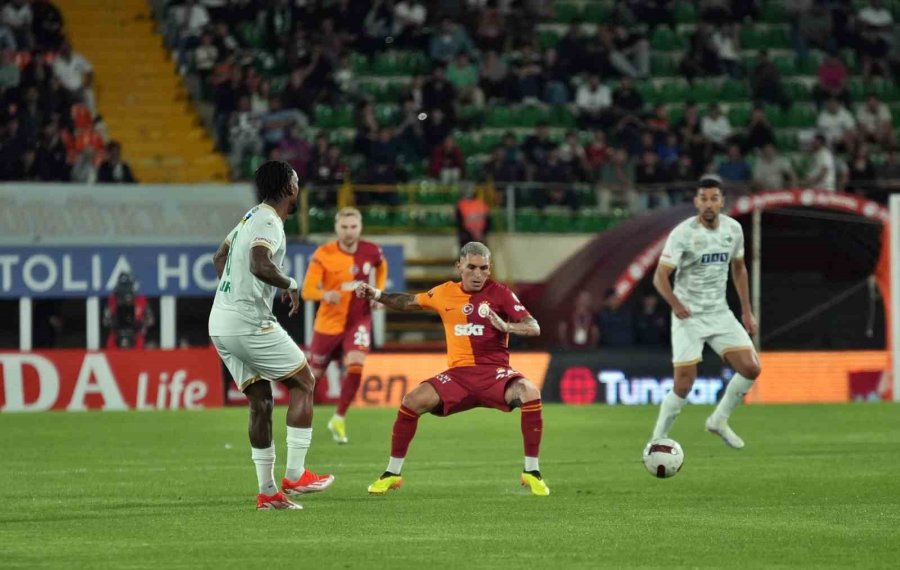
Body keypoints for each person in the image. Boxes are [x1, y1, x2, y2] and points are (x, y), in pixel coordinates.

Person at [355, 242, 549, 496]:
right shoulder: (444, 293)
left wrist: (506, 327)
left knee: (530, 391)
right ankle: (392, 473)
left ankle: (531, 472)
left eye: (483, 268)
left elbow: (533, 326)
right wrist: (377, 294)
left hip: (495, 375)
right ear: (459, 266)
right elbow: (407, 302)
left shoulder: (501, 294)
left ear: (489, 269)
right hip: (458, 377)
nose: (478, 274)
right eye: (471, 267)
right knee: (412, 400)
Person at [209, 161, 334, 510]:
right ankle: (295, 473)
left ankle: (267, 491)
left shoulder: (249, 216)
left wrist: (233, 296)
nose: (299, 184)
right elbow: (259, 263)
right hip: (248, 322)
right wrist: (292, 284)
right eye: (296, 179)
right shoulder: (268, 221)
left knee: (261, 401)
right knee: (304, 382)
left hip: (220, 321)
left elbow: (219, 257)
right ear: (288, 188)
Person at [649, 178, 761, 450]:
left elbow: (739, 269)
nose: (708, 204)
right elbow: (660, 277)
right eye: (703, 198)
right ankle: (656, 441)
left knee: (751, 367)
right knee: (684, 384)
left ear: (722, 201)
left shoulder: (733, 230)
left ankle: (718, 420)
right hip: (688, 316)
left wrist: (746, 311)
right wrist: (675, 303)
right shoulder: (683, 233)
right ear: (696, 202)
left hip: (719, 311)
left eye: (714, 198)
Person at [301, 207, 387, 444]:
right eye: (344, 227)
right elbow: (308, 290)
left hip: (358, 320)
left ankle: (339, 417)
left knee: (357, 365)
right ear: (336, 228)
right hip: (328, 324)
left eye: (353, 227)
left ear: (360, 227)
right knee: (312, 378)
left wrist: (378, 294)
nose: (349, 232)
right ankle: (297, 423)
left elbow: (381, 267)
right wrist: (325, 294)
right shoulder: (324, 253)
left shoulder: (372, 251)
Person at [103, 273, 154, 349]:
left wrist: (140, 324)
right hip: (117, 335)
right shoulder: (112, 301)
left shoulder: (141, 301)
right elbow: (105, 321)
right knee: (111, 347)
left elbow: (150, 320)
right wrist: (116, 322)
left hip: (136, 335)